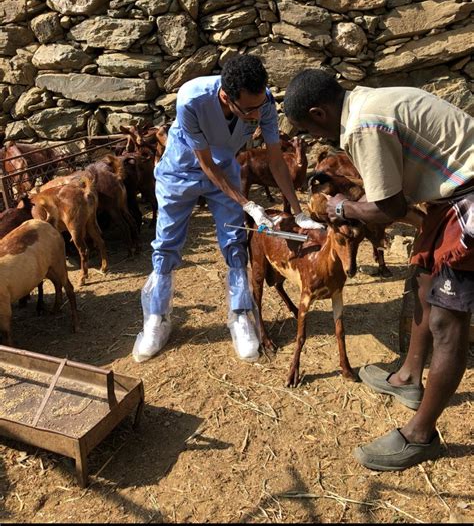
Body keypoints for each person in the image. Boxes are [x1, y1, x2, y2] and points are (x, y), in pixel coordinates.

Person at [283, 68, 474, 471]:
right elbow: (391, 194)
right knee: (423, 275)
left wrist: (341, 207)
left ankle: (420, 436)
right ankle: (407, 378)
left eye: (311, 131)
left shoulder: (362, 125)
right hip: (453, 195)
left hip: (470, 196)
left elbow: (386, 208)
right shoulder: (369, 101)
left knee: (447, 320)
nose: (318, 140)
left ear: (319, 113)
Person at [133, 55, 322, 364]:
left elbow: (276, 160)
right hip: (181, 173)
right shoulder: (192, 99)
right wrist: (247, 203)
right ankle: (157, 318)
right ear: (226, 97)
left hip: (226, 169)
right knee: (166, 244)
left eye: (259, 107)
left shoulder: (262, 102)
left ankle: (240, 315)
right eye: (248, 110)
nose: (256, 115)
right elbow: (206, 165)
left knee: (235, 243)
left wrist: (299, 212)